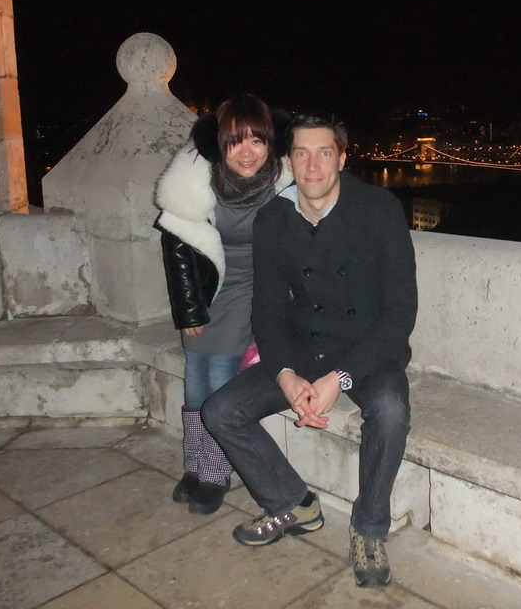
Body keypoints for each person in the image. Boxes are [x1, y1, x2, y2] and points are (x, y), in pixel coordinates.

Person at [201, 114, 418, 588]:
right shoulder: (274, 219)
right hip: (301, 349)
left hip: (366, 350)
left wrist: (338, 379)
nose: (312, 165)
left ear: (342, 157)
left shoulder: (378, 210)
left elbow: (400, 314)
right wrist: (284, 375)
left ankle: (369, 528)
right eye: (301, 153)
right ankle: (293, 504)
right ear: (288, 160)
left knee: (390, 408)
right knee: (220, 410)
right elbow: (269, 314)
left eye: (324, 152)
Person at [154, 95, 293, 514]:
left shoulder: (283, 182)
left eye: (257, 141)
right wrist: (190, 310)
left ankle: (215, 472)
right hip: (208, 290)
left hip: (252, 295)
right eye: (236, 142)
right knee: (194, 374)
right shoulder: (199, 182)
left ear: (272, 144)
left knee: (218, 377)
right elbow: (177, 250)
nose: (246, 152)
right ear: (220, 146)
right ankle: (196, 465)